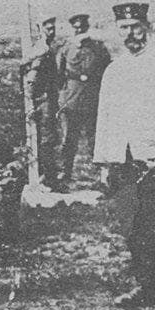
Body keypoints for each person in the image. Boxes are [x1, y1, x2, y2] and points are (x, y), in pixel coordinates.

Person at [93, 2, 155, 309]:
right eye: (124, 28)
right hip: (124, 160)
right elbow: (104, 118)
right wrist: (105, 163)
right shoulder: (113, 70)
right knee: (133, 227)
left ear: (146, 26)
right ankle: (145, 285)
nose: (130, 33)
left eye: (135, 27)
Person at [57, 13, 111, 184]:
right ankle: (66, 172)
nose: (79, 30)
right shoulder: (66, 48)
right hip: (72, 101)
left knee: (94, 139)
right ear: (72, 28)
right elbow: (59, 74)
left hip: (92, 100)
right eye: (76, 27)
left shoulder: (98, 47)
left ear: (87, 27)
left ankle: (99, 176)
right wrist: (64, 96)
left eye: (82, 27)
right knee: (69, 139)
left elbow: (107, 70)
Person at [22, 14, 61, 188]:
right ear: (40, 29)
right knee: (47, 139)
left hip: (49, 97)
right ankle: (47, 177)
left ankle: (47, 176)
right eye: (48, 28)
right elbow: (32, 77)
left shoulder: (47, 47)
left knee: (48, 139)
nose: (51, 31)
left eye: (53, 28)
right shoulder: (42, 49)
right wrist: (31, 100)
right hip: (44, 99)